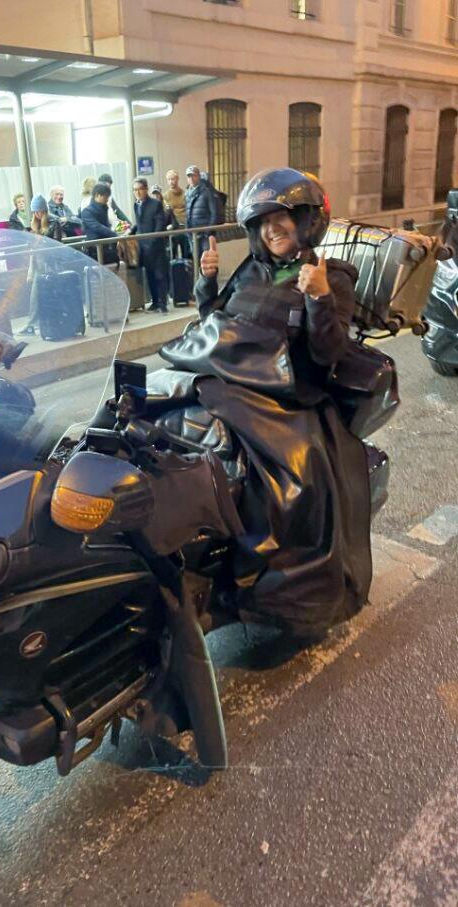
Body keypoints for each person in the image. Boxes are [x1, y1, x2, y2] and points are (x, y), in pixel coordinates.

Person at [185, 167, 370, 640]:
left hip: (290, 397)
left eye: (280, 218)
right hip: (232, 383)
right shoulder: (249, 270)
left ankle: (276, 592)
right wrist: (206, 286)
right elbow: (216, 326)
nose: (271, 229)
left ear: (306, 222)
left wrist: (321, 299)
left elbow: (328, 353)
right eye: (262, 222)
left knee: (292, 488)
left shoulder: (334, 277)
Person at [19, 195, 63, 336]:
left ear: (45, 211)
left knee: (40, 295)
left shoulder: (53, 222)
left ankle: (33, 324)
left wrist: (38, 238)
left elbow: (56, 243)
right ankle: (34, 323)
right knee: (36, 294)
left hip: (50, 264)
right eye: (35, 212)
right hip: (38, 264)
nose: (37, 215)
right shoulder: (33, 225)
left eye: (40, 211)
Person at [131, 178, 168, 313]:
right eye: (135, 190)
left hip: (155, 246)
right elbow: (139, 224)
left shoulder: (155, 204)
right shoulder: (136, 205)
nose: (137, 192)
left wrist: (152, 241)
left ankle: (163, 304)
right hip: (143, 246)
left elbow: (159, 226)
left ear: (146, 189)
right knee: (150, 275)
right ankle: (154, 301)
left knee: (160, 275)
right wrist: (131, 231)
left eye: (140, 189)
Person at [80, 182, 120, 266]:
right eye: (106, 197)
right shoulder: (87, 212)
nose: (107, 199)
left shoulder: (104, 208)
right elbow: (97, 227)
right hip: (95, 250)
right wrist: (114, 235)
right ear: (98, 195)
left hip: (107, 248)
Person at [185, 165, 217, 252]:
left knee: (208, 261)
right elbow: (187, 214)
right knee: (196, 260)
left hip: (204, 235)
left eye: (193, 175)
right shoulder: (187, 194)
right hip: (193, 234)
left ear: (198, 176)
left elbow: (214, 213)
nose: (191, 178)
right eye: (189, 176)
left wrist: (208, 231)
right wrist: (188, 231)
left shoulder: (207, 192)